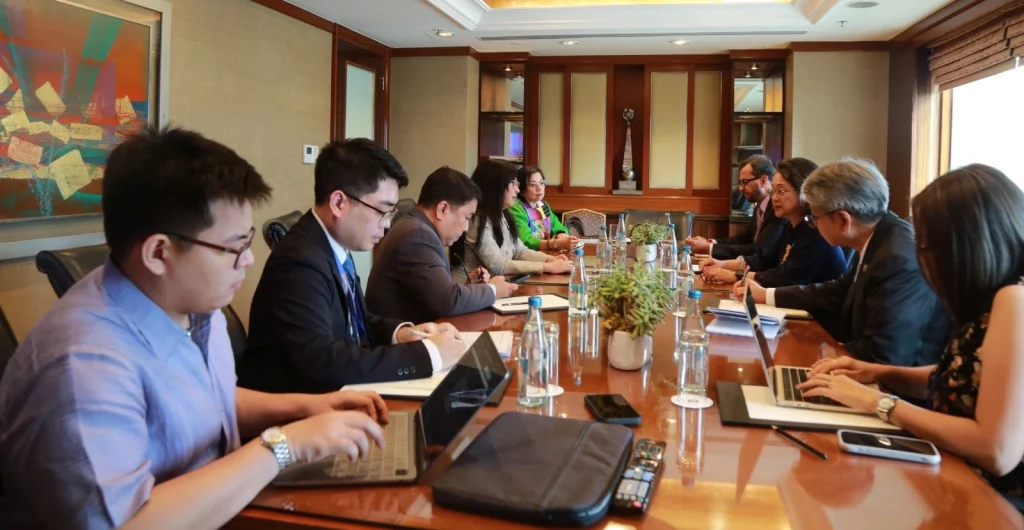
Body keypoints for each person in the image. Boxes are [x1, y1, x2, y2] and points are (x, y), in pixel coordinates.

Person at [0, 127, 390, 529]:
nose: (249, 260)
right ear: (159, 252)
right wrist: (283, 446)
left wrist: (306, 408)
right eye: (233, 247)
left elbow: (203, 400)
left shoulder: (193, 305)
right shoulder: (83, 365)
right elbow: (130, 524)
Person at [795, 164, 1024, 508]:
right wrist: (879, 373)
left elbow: (997, 450)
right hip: (950, 477)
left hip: (991, 503)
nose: (924, 259)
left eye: (930, 247)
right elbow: (964, 380)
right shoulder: (988, 301)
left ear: (969, 244)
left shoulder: (1014, 301)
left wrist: (878, 401)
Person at [239, 138, 465, 394]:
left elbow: (355, 318)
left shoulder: (331, 243)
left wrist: (404, 333)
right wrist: (429, 355)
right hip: (297, 413)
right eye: (383, 211)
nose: (387, 224)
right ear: (338, 203)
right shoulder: (299, 261)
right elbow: (321, 360)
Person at [736, 158, 948, 367]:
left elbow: (885, 354)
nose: (813, 224)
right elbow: (838, 290)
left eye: (814, 217)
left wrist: (822, 353)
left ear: (843, 220)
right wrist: (765, 295)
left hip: (886, 389)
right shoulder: (880, 237)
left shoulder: (896, 259)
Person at [366, 166, 519, 323]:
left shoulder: (416, 227)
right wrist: (492, 290)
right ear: (443, 209)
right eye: (467, 217)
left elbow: (436, 294)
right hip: (403, 340)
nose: (466, 228)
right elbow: (448, 302)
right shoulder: (418, 236)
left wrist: (469, 287)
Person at [700, 158, 847, 288]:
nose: (774, 198)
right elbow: (765, 260)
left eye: (781, 191)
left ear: (805, 192)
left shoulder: (815, 231)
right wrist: (722, 264)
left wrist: (736, 276)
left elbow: (785, 277)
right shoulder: (791, 226)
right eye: (773, 191)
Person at [452, 160, 572, 284]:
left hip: (491, 286)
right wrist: (547, 267)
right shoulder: (477, 220)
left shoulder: (503, 214)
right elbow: (498, 265)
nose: (517, 190)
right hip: (467, 290)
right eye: (513, 183)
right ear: (496, 186)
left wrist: (550, 259)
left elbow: (520, 251)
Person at [686, 155, 786, 260]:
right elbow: (743, 239)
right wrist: (711, 242)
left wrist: (709, 248)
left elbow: (760, 249)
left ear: (763, 181)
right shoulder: (759, 208)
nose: (740, 188)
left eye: (745, 182)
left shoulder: (777, 211)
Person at [508, 165, 580, 251]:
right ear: (522, 189)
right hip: (527, 257)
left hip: (546, 254)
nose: (539, 188)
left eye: (541, 183)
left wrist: (561, 233)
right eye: (532, 185)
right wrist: (557, 244)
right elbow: (525, 240)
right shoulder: (516, 208)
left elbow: (557, 225)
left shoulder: (543, 205)